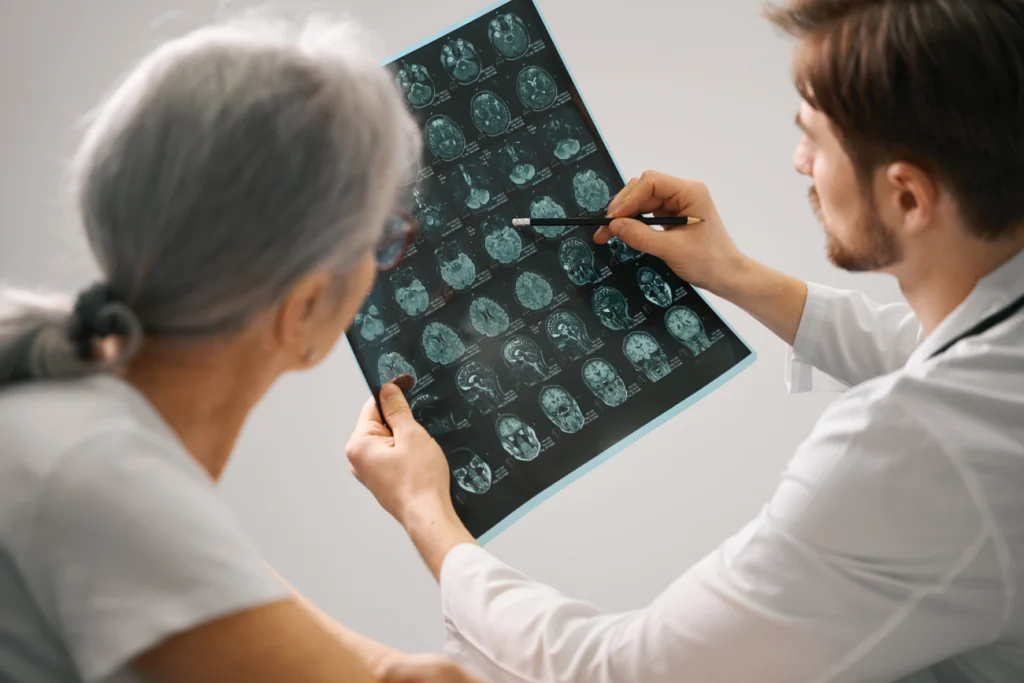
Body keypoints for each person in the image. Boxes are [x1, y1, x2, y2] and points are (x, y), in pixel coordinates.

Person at [345, 0, 1024, 680]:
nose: (799, 161)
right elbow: (949, 362)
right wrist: (735, 273)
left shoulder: (909, 455)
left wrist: (425, 512)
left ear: (907, 197)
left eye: (814, 138)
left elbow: (626, 672)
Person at [0, 10, 480, 683]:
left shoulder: (71, 419)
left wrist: (388, 670)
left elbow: (206, 576)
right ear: (306, 306)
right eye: (384, 239)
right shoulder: (103, 479)